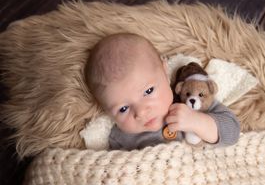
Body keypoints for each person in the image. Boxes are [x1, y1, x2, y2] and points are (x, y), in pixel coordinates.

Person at [85, 33, 240, 151]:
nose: (141, 112)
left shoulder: (188, 102)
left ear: (165, 72)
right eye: (123, 109)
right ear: (107, 111)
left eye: (148, 91)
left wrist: (196, 121)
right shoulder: (121, 139)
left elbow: (233, 132)